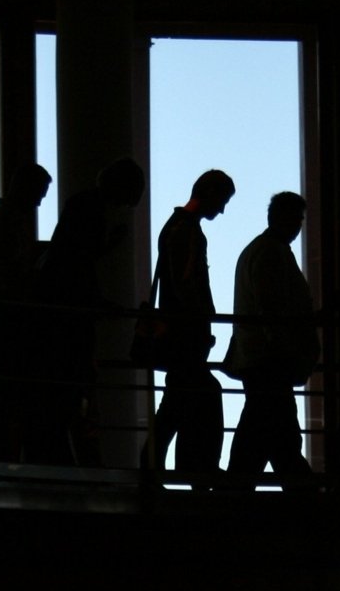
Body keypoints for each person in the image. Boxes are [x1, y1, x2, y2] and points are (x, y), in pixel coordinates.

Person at [29, 157, 144, 466]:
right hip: (69, 320)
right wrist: (97, 302)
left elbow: (72, 259)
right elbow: (78, 265)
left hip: (61, 315)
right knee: (73, 389)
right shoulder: (90, 212)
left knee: (64, 394)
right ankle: (73, 460)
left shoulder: (81, 207)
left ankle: (60, 458)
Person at [141, 170, 234, 475]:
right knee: (197, 395)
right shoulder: (187, 230)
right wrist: (202, 318)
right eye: (222, 200)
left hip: (179, 331)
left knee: (179, 400)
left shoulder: (176, 227)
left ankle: (164, 465)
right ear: (210, 194)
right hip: (186, 333)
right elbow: (185, 284)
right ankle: (193, 466)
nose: (222, 209)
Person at [224, 191, 317, 491]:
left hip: (259, 358)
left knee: (267, 429)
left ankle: (236, 490)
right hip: (270, 360)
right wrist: (291, 353)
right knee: (275, 430)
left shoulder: (259, 250)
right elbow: (272, 309)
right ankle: (300, 491)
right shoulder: (272, 254)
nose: (299, 225)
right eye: (298, 219)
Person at [0, 164, 51, 462]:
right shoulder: (6, 225)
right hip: (8, 323)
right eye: (38, 194)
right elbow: (12, 276)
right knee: (15, 404)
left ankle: (6, 467)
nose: (38, 203)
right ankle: (12, 467)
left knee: (6, 405)